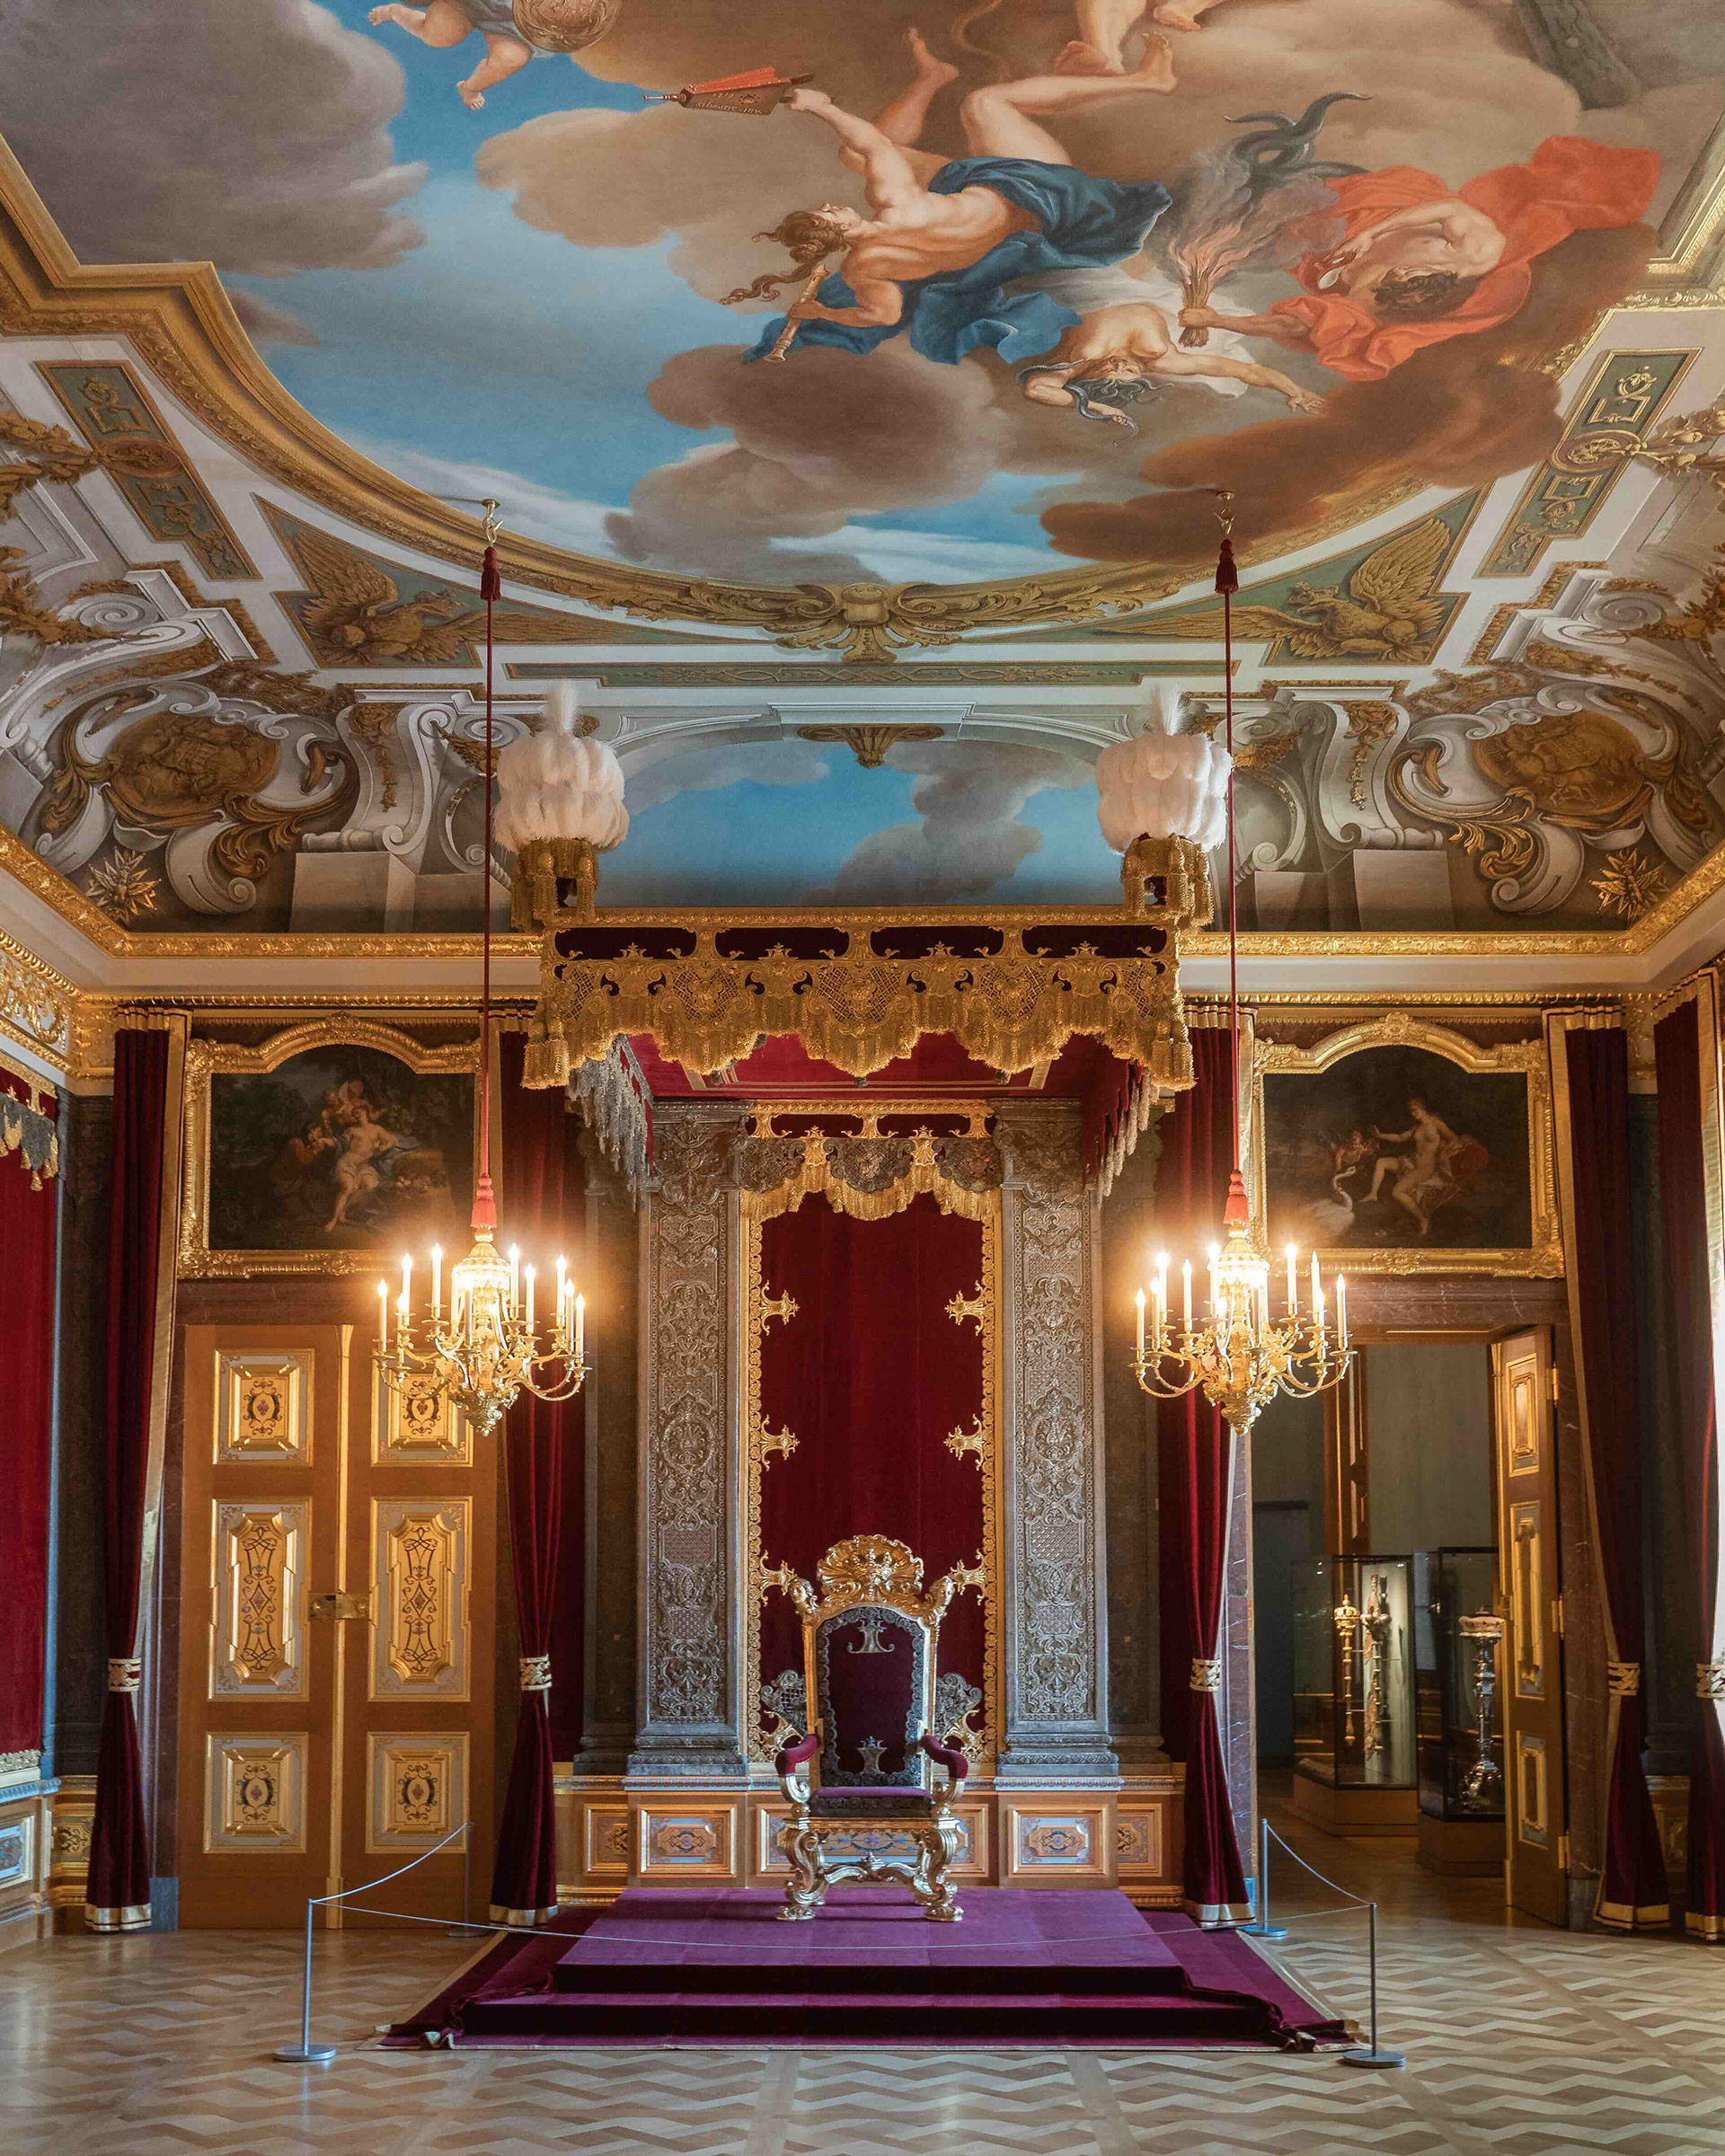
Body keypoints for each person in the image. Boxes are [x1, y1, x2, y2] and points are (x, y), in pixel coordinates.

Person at [732, 28, 1176, 368]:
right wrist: (821, 106)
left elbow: (881, 316)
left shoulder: (863, 268)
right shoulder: (894, 202)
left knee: (852, 156)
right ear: (837, 227)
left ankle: (934, 78)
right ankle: (1149, 81)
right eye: (828, 212)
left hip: (1007, 220)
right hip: (1043, 193)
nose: (832, 205)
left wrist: (821, 311)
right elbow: (875, 144)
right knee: (984, 104)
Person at [1176, 137, 1660, 381]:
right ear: (1413, 271)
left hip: (1332, 246)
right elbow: (1450, 210)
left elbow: (1298, 321)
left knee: (1271, 235)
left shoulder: (1374, 308)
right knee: (1300, 209)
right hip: (1385, 215)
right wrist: (1376, 235)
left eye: (1370, 287)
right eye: (1375, 281)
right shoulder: (1478, 251)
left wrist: (1217, 321)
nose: (1363, 286)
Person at [1012, 261, 1324, 425]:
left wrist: (1093, 406)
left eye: (1109, 372)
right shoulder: (1164, 361)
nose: (1119, 365)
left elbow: (1036, 389)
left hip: (1090, 286)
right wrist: (1294, 391)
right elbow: (1247, 371)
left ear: (1090, 378)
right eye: (1127, 372)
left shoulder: (1077, 363)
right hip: (1155, 286)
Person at [1366, 1099, 1461, 1237]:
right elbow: (1399, 1137)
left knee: (1397, 1192)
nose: (1412, 1113)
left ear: (1423, 1108)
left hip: (1425, 1168)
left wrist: (1443, 1152)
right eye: (1410, 1111)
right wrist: (1379, 1135)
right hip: (1410, 1162)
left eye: (1415, 1110)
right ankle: (1373, 1193)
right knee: (1382, 1162)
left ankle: (1423, 1218)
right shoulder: (1416, 1128)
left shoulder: (1436, 1123)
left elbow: (1454, 1139)